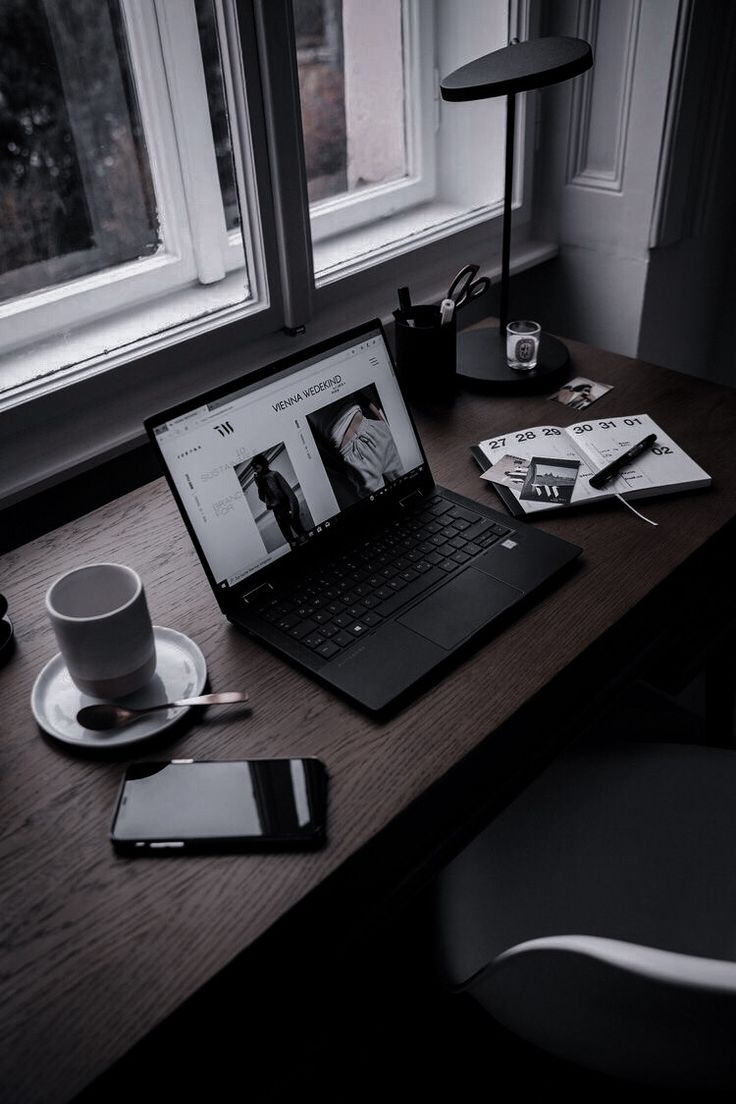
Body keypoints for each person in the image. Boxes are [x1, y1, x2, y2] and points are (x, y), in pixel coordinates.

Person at [308, 391, 403, 499]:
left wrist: (385, 426)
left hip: (373, 430)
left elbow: (363, 399)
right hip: (352, 457)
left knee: (410, 485)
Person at [251, 453, 307, 547]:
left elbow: (290, 494)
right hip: (277, 511)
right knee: (290, 540)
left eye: (257, 464)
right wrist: (259, 485)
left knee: (301, 533)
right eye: (253, 466)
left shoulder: (274, 474)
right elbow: (263, 498)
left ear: (262, 463)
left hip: (287, 507)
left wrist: (294, 512)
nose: (255, 467)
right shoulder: (260, 480)